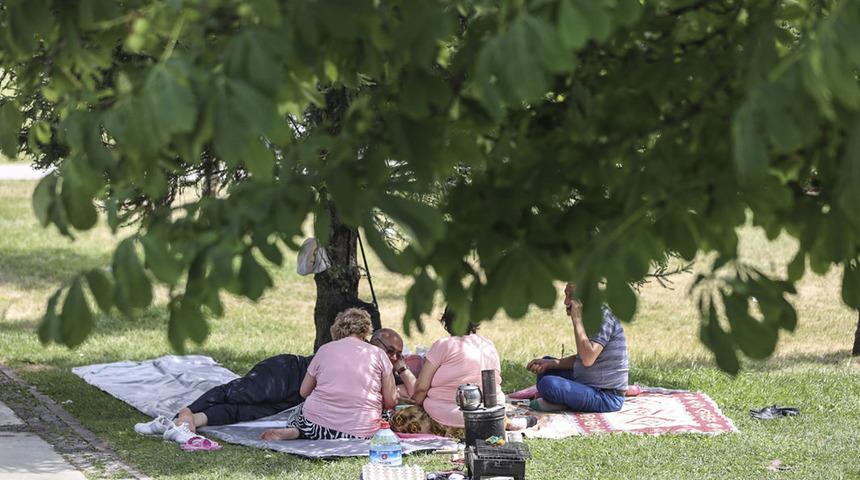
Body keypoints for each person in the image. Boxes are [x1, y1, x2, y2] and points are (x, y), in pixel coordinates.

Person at [135, 320, 411, 439]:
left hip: (296, 398)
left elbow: (414, 393)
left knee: (247, 412)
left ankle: (193, 420)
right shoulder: (361, 352)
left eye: (399, 353)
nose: (394, 356)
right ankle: (183, 413)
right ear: (373, 340)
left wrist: (400, 367)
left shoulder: (382, 366)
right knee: (239, 392)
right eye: (390, 350)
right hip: (288, 373)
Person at [260, 308, 397, 440]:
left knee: (300, 410)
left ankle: (297, 431)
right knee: (386, 415)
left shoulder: (324, 350)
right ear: (366, 330)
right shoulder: (378, 354)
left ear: (337, 329)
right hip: (363, 431)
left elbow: (304, 391)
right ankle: (300, 431)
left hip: (317, 426)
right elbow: (390, 402)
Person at [389, 307, 502, 439]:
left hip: (448, 420)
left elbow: (421, 388)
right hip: (491, 421)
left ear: (447, 322)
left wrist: (416, 403)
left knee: (397, 419)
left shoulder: (444, 345)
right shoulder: (488, 345)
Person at [526, 283, 629, 413]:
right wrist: (550, 363)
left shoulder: (602, 317)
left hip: (607, 396)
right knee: (546, 368)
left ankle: (563, 402)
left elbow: (588, 358)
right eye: (566, 295)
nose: (565, 302)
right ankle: (565, 400)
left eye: (571, 297)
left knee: (548, 384)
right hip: (587, 383)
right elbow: (581, 359)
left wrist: (577, 320)